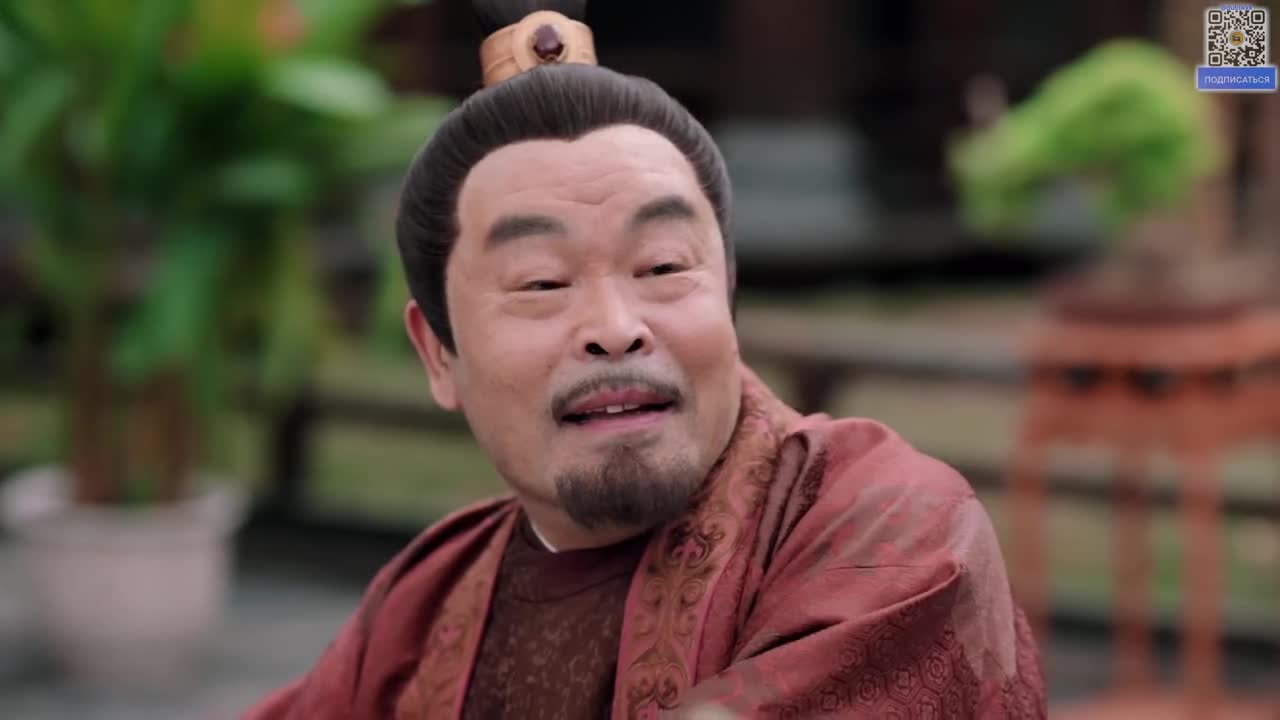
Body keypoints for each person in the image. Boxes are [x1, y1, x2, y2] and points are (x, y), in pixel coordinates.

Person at [244, 1, 1046, 717]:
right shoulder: (425, 606)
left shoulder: (886, 530)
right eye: (541, 282)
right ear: (437, 353)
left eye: (663, 267)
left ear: (727, 297)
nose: (615, 328)